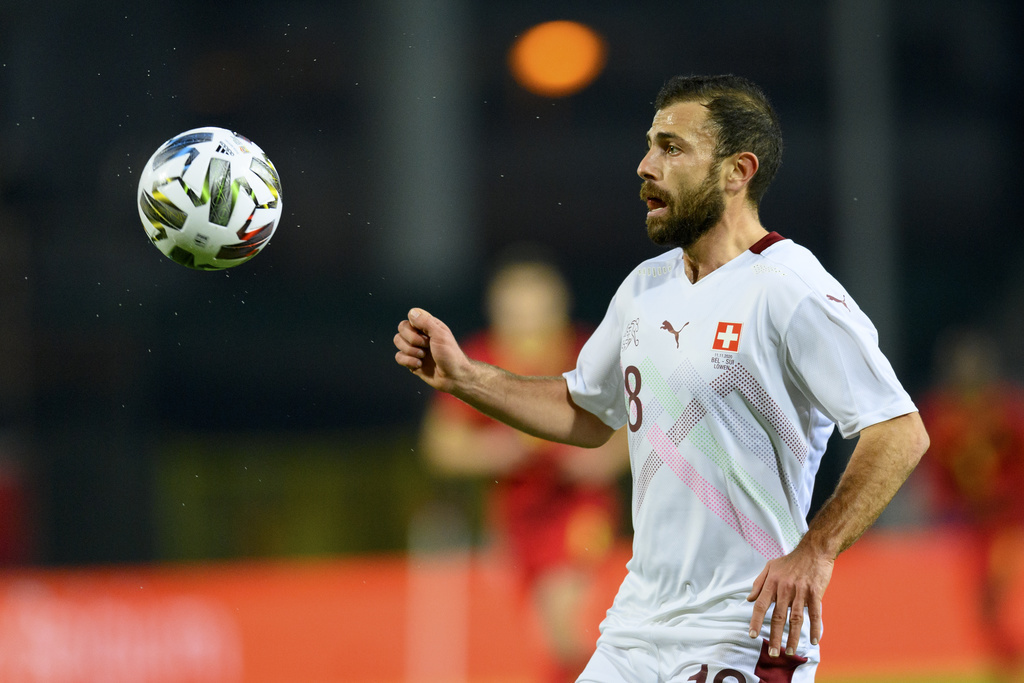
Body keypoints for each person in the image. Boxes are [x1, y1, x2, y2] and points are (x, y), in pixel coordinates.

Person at [394, 74, 929, 682]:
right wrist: (468, 379)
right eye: (650, 145)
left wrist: (815, 551)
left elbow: (899, 429)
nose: (646, 165)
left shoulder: (788, 288)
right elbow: (589, 412)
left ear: (737, 171)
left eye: (672, 148)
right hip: (635, 628)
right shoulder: (645, 288)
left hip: (742, 629)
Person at [418, 253, 629, 681]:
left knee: (566, 622)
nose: (528, 327)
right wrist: (494, 450)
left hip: (579, 509)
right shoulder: (479, 359)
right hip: (517, 521)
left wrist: (603, 458)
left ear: (558, 310)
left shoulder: (586, 352)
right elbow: (439, 446)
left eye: (536, 314)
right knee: (549, 639)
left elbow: (642, 422)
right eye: (517, 316)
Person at [918, 329, 1024, 681]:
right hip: (974, 525)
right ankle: (1007, 666)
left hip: (1010, 521)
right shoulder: (941, 414)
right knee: (983, 604)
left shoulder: (1006, 410)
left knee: (998, 594)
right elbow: (937, 469)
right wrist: (944, 502)